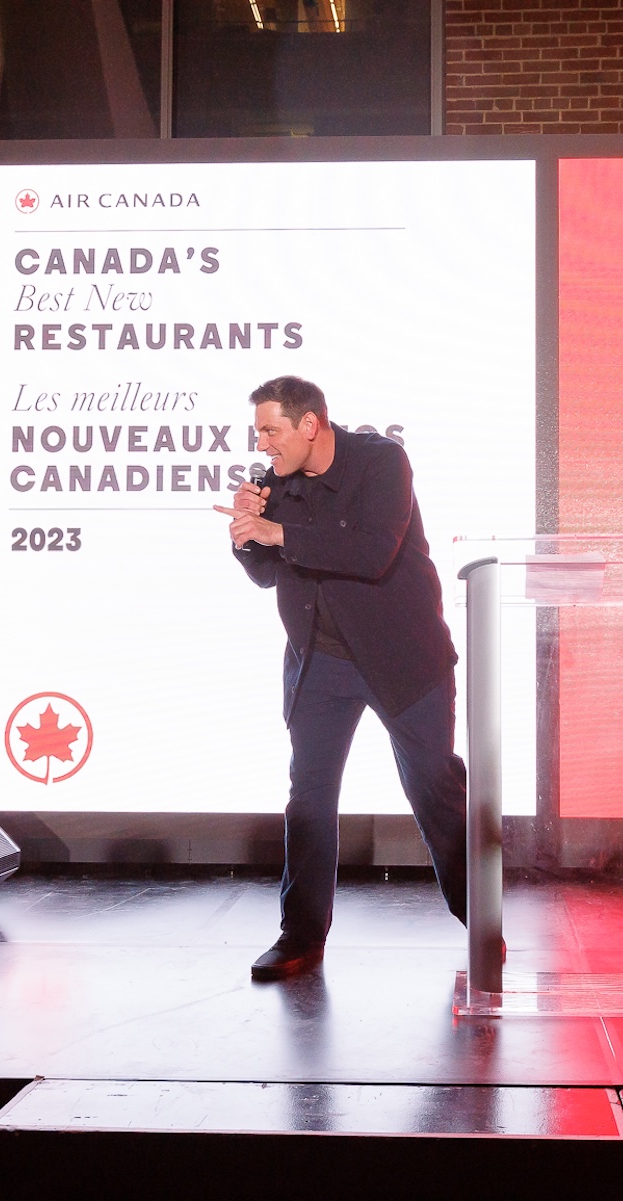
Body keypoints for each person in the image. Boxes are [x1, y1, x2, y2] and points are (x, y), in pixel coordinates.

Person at [214, 375, 467, 981]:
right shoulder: (275, 484)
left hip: (401, 660)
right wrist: (248, 535)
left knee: (434, 787)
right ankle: (300, 935)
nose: (264, 443)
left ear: (310, 424)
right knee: (310, 796)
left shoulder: (382, 463)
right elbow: (268, 574)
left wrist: (279, 531)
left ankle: (484, 923)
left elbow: (372, 551)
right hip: (320, 663)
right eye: (259, 432)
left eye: (272, 430)